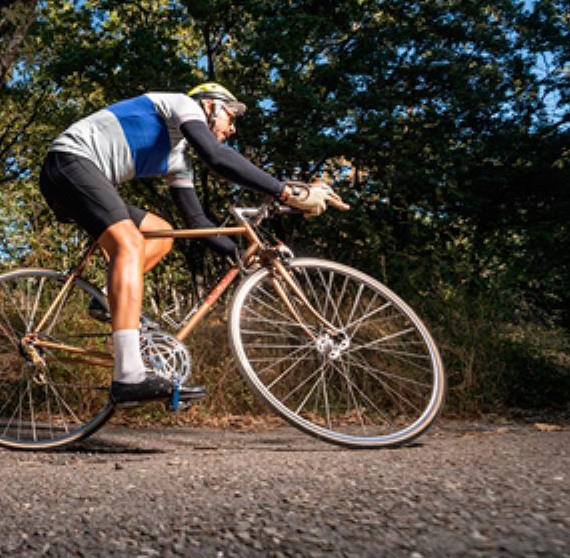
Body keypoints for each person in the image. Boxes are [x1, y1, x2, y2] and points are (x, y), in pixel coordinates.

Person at [39, 82, 345, 406]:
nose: (233, 127)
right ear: (210, 106)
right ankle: (128, 376)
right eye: (231, 115)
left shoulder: (177, 159)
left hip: (84, 174)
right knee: (129, 242)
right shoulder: (181, 104)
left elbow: (198, 222)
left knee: (162, 234)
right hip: (70, 162)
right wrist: (286, 191)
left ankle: (107, 299)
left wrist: (240, 255)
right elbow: (216, 157)